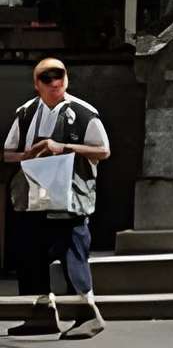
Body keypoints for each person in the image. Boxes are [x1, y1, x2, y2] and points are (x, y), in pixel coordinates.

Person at [4, 59, 109, 338]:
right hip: (34, 199)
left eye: (59, 77)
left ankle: (89, 315)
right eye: (47, 79)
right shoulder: (26, 113)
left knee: (73, 254)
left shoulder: (83, 112)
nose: (54, 83)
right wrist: (26, 155)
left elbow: (103, 150)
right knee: (30, 256)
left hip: (71, 197)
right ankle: (42, 314)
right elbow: (7, 152)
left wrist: (62, 147)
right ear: (37, 84)